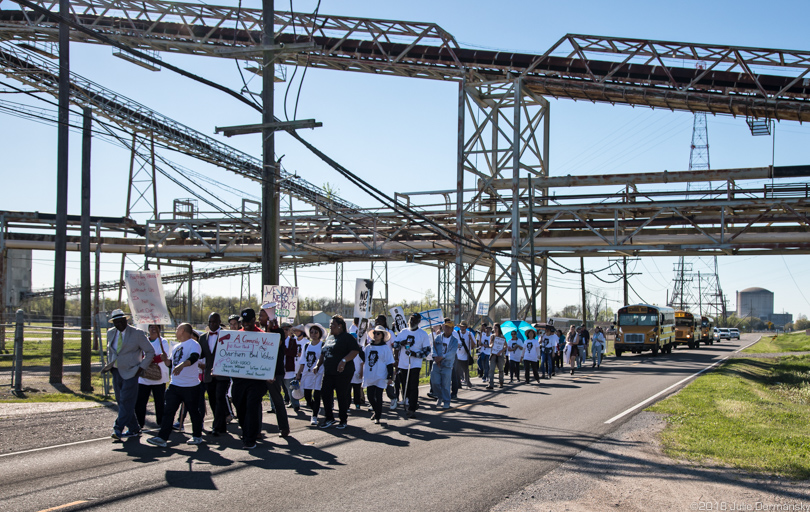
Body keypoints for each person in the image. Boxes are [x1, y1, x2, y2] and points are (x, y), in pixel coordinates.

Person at [147, 323, 204, 447]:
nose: (176, 331)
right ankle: (162, 438)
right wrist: (166, 360)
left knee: (194, 411)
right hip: (175, 385)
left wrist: (182, 365)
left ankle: (197, 436)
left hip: (190, 386)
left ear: (182, 330)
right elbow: (171, 364)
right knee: (168, 411)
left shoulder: (194, 344)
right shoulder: (176, 346)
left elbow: (194, 357)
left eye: (177, 329)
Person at [103, 309, 155, 440]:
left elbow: (150, 352)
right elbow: (110, 351)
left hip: (132, 371)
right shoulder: (111, 333)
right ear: (113, 323)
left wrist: (141, 367)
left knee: (126, 400)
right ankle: (134, 428)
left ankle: (118, 428)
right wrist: (109, 364)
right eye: (116, 322)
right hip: (116, 370)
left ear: (126, 320)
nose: (119, 324)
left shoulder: (137, 333)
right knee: (122, 401)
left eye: (121, 321)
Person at [314, 315, 361, 429]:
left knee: (341, 395)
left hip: (343, 372)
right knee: (325, 394)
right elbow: (323, 353)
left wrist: (344, 360)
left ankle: (343, 420)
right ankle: (329, 418)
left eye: (333, 325)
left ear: (340, 326)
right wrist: (317, 365)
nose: (330, 326)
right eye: (330, 325)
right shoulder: (329, 338)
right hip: (329, 371)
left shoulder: (347, 337)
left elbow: (355, 351)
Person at [230, 308, 267, 449]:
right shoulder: (235, 336)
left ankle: (250, 439)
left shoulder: (263, 336)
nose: (245, 324)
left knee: (252, 407)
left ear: (254, 320)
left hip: (256, 380)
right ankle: (246, 431)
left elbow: (269, 358)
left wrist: (269, 374)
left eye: (248, 321)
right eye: (243, 321)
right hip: (239, 379)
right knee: (240, 406)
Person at [392, 312, 431, 418]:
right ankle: (410, 401)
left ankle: (412, 408)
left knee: (413, 386)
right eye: (410, 319)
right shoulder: (403, 332)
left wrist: (415, 354)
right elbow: (395, 345)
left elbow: (427, 351)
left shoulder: (422, 334)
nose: (411, 321)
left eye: (414, 319)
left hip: (415, 364)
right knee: (405, 385)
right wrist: (401, 343)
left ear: (418, 322)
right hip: (403, 364)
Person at [199, 312, 230, 436]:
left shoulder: (227, 335)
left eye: (215, 322)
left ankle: (216, 426)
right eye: (210, 322)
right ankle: (221, 425)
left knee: (219, 398)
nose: (212, 324)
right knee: (212, 400)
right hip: (208, 375)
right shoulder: (202, 338)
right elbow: (201, 355)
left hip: (222, 374)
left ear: (219, 322)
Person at [134, 324, 170, 429]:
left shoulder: (163, 342)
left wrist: (148, 358)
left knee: (159, 402)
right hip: (144, 377)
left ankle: (161, 423)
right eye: (151, 327)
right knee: (140, 402)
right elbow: (140, 355)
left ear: (160, 329)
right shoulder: (144, 340)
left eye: (156, 327)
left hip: (159, 378)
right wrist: (151, 358)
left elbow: (163, 356)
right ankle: (139, 423)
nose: (153, 329)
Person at [296, 323, 326, 426]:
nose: (313, 334)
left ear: (320, 333)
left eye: (316, 332)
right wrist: (299, 373)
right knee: (307, 396)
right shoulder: (306, 346)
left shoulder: (323, 345)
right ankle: (315, 409)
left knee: (316, 395)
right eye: (311, 332)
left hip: (318, 374)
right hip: (307, 373)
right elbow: (303, 361)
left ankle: (314, 416)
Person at [363, 325, 395, 423]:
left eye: (378, 333)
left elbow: (390, 363)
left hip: (381, 375)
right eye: (374, 333)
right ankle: (376, 411)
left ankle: (378, 416)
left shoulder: (385, 348)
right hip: (370, 375)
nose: (375, 335)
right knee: (370, 397)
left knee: (379, 396)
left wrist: (390, 376)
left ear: (382, 335)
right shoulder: (368, 347)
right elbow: (363, 358)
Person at [429, 318, 458, 409]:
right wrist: (435, 357)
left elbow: (452, 353)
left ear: (452, 329)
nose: (447, 329)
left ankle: (446, 401)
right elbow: (434, 349)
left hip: (447, 365)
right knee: (434, 382)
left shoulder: (454, 340)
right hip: (436, 363)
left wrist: (441, 358)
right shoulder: (438, 337)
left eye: (449, 327)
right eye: (445, 327)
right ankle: (440, 396)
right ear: (443, 327)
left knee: (446, 385)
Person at [281, 322, 302, 413]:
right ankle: (273, 407)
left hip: (288, 368)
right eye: (283, 329)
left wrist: (283, 348)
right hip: (278, 369)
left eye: (287, 329)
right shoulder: (277, 339)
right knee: (275, 389)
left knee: (290, 389)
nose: (285, 331)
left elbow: (293, 353)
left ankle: (295, 405)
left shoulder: (292, 341)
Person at [455, 321, 475, 390]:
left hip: (465, 356)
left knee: (466, 370)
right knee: (457, 370)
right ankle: (458, 384)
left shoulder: (470, 334)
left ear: (466, 327)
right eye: (461, 326)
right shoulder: (457, 333)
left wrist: (471, 338)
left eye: (463, 327)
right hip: (457, 355)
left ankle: (468, 381)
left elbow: (473, 345)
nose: (462, 328)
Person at [487, 324, 507, 389]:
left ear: (499, 329)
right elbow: (490, 345)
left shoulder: (502, 337)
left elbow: (506, 346)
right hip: (493, 355)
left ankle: (501, 382)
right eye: (494, 328)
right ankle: (491, 384)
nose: (495, 329)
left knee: (501, 369)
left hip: (500, 355)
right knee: (491, 369)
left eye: (496, 328)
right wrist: (492, 344)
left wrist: (501, 351)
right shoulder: (492, 336)